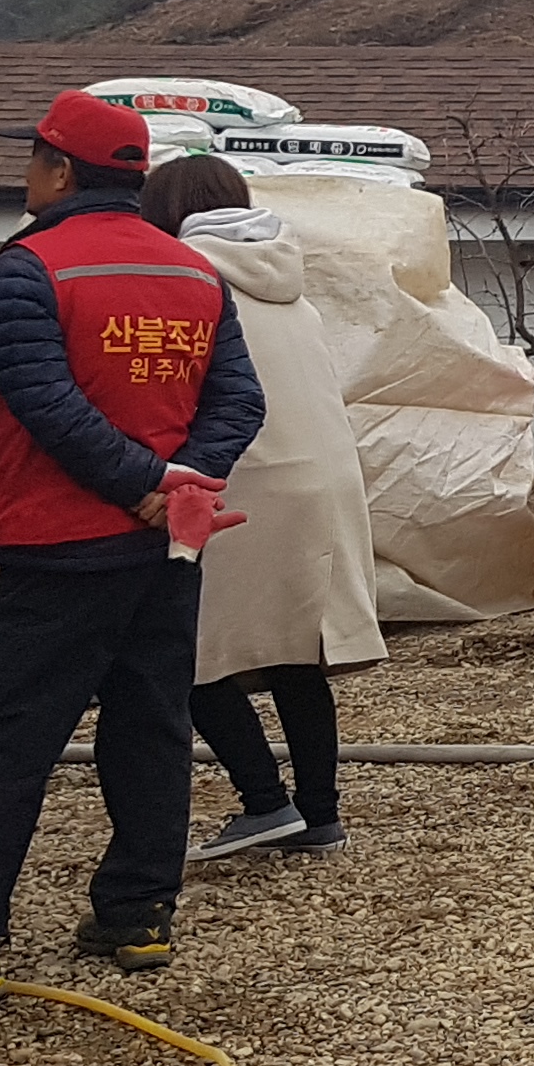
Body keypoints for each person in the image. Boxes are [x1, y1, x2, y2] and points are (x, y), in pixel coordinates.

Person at [0, 93, 264, 1017]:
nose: (27, 174)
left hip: (60, 546)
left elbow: (43, 401)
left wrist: (142, 483)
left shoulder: (30, 265)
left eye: (34, 158)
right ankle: (137, 916)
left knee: (11, 748)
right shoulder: (194, 271)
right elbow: (239, 401)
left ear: (63, 171)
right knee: (151, 727)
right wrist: (178, 485)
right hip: (165, 551)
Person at [136, 153, 383, 863]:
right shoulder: (290, 283)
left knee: (187, 650)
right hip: (325, 478)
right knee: (295, 652)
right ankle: (319, 815)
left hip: (245, 476)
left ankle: (264, 801)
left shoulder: (185, 279)